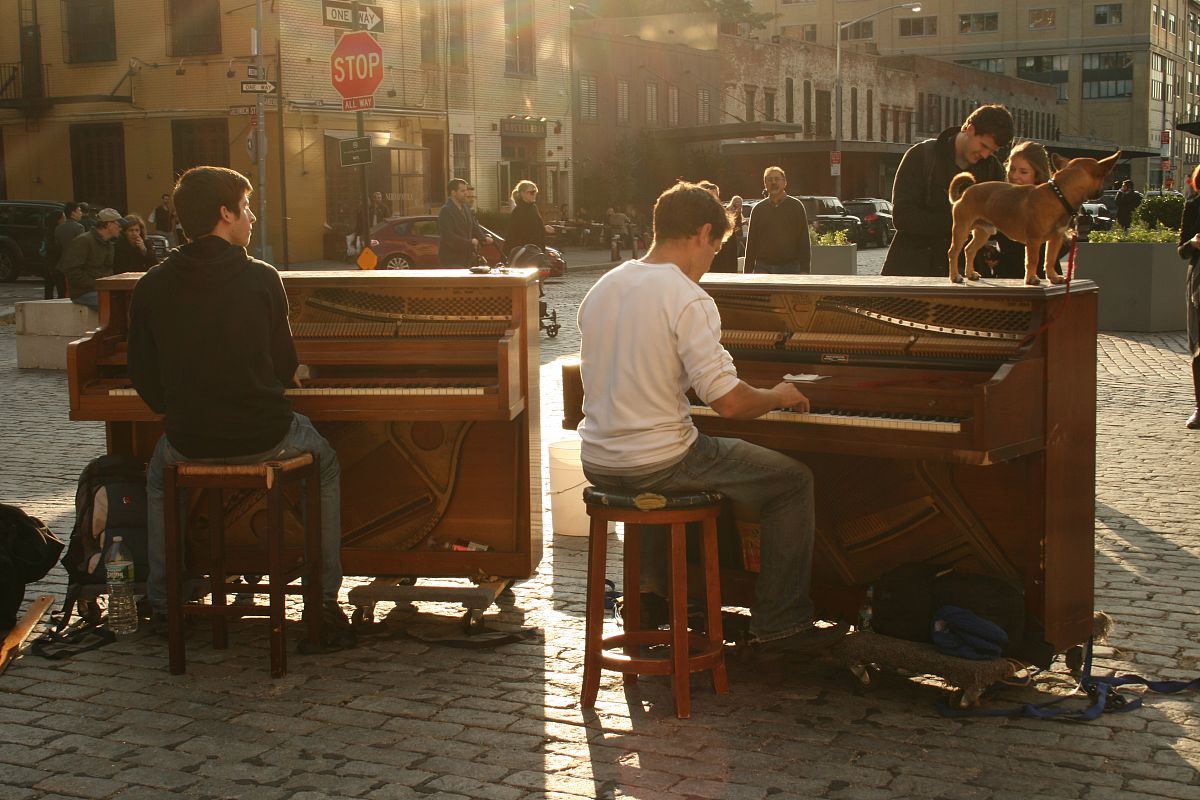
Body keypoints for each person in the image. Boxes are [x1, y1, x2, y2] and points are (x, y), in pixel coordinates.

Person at [577, 180, 848, 657]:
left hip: (599, 459)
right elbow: (730, 404)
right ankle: (782, 623)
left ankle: (652, 599)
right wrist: (779, 394)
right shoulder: (687, 297)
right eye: (717, 247)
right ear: (703, 233)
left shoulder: (604, 285)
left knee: (675, 454)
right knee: (791, 481)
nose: (713, 260)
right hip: (659, 461)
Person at [127, 165, 353, 645]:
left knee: (157, 479)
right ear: (224, 213)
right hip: (265, 437)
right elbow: (283, 367)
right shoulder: (261, 278)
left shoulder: (151, 284)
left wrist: (187, 407)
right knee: (326, 463)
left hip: (187, 439)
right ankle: (324, 602)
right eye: (246, 207)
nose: (252, 217)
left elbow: (144, 380)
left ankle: (166, 606)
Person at [882, 104, 1013, 277]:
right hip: (915, 272)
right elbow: (903, 217)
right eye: (983, 146)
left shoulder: (992, 169)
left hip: (968, 276)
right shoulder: (920, 156)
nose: (985, 155)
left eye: (992, 150)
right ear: (970, 129)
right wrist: (962, 222)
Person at [990, 141, 1057, 280]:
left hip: (1043, 281)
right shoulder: (1000, 199)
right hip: (1007, 280)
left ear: (1037, 175)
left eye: (1023, 172)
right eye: (1012, 169)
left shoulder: (1050, 203)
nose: (1015, 176)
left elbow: (1062, 242)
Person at [743, 166, 810, 274]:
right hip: (763, 268)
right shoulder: (758, 209)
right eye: (769, 180)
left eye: (777, 179)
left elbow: (804, 240)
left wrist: (805, 270)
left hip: (790, 268)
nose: (773, 182)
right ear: (765, 184)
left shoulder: (796, 207)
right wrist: (747, 273)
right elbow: (751, 242)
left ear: (785, 182)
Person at [60, 207, 122, 309]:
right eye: (118, 225)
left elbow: (108, 269)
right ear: (108, 225)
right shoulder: (84, 241)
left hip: (101, 290)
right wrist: (96, 284)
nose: (120, 228)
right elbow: (71, 270)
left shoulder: (109, 245)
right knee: (115, 306)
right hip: (83, 292)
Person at [1176, 164, 1200, 429]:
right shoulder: (1193, 206)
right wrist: (1193, 243)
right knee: (1198, 345)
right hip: (1199, 281)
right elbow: (1181, 251)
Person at [437, 178, 490, 267]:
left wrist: (483, 238)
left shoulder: (465, 208)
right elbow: (448, 236)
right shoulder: (446, 211)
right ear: (453, 193)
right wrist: (469, 242)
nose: (466, 193)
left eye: (466, 190)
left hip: (467, 258)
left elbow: (474, 226)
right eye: (462, 191)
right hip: (452, 259)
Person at [504, 180, 554, 260]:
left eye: (535, 192)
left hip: (536, 250)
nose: (534, 195)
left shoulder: (533, 208)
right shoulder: (518, 211)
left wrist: (544, 228)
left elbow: (534, 226)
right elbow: (517, 233)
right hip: (525, 252)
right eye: (532, 192)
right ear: (523, 194)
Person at [699, 181, 742, 274]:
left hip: (724, 273)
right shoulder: (692, 221)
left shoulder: (723, 219)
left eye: (716, 197)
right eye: (710, 197)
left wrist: (736, 212)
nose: (714, 201)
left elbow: (737, 233)